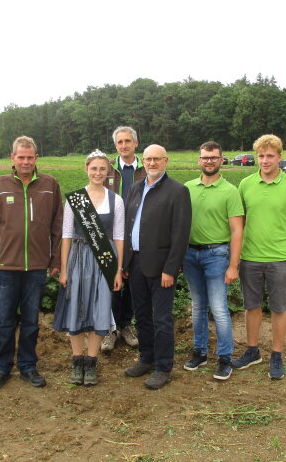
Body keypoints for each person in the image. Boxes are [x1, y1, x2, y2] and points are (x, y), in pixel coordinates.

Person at [0, 136, 63, 391]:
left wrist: (56, 258)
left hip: (37, 266)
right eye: (21, 157)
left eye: (30, 157)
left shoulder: (50, 184)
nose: (25, 161)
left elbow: (57, 226)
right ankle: (2, 368)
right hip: (6, 265)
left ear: (36, 158)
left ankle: (28, 366)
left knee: (30, 320)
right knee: (5, 320)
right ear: (12, 158)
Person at [233, 134, 286, 380]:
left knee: (278, 307)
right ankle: (253, 350)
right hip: (250, 257)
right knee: (251, 305)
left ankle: (276, 354)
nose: (265, 161)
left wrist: (285, 244)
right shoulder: (246, 184)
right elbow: (239, 221)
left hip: (281, 258)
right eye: (261, 156)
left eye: (270, 156)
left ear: (279, 157)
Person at [123, 144, 192, 390]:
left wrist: (171, 269)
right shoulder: (135, 188)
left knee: (161, 318)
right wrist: (126, 263)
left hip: (161, 266)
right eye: (148, 159)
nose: (151, 163)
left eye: (156, 159)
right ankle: (146, 358)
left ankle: (164, 367)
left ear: (166, 161)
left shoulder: (177, 191)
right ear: (143, 161)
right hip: (137, 263)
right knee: (141, 315)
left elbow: (180, 234)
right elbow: (128, 226)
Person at [54, 150, 124, 385]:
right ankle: (77, 361)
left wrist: (118, 269)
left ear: (108, 172)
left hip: (105, 260)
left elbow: (119, 237)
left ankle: (91, 362)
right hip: (78, 259)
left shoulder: (116, 200)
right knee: (76, 307)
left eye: (102, 169)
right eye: (94, 168)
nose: (98, 173)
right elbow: (65, 235)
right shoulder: (75, 199)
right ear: (86, 169)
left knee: (100, 309)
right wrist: (64, 269)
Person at [183, 141, 244, 381]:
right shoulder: (187, 188)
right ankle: (199, 352)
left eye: (214, 157)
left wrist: (233, 265)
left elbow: (237, 231)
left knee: (218, 308)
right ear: (199, 160)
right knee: (198, 306)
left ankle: (225, 357)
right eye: (205, 157)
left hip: (217, 255)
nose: (209, 161)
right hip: (190, 254)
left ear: (221, 160)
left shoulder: (230, 191)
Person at [102, 126, 146, 353]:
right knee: (111, 281)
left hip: (137, 234)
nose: (124, 145)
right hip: (111, 235)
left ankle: (126, 324)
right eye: (120, 142)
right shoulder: (106, 169)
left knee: (131, 282)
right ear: (116, 145)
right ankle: (110, 328)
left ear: (135, 143)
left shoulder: (146, 167)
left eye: (128, 141)